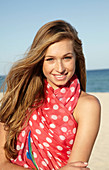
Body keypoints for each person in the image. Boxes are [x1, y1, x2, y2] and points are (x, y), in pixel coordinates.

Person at [0, 20, 101, 170]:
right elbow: (2, 164)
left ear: (76, 58)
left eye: (67, 58)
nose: (59, 68)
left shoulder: (87, 105)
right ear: (39, 61)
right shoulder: (19, 99)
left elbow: (76, 167)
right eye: (50, 59)